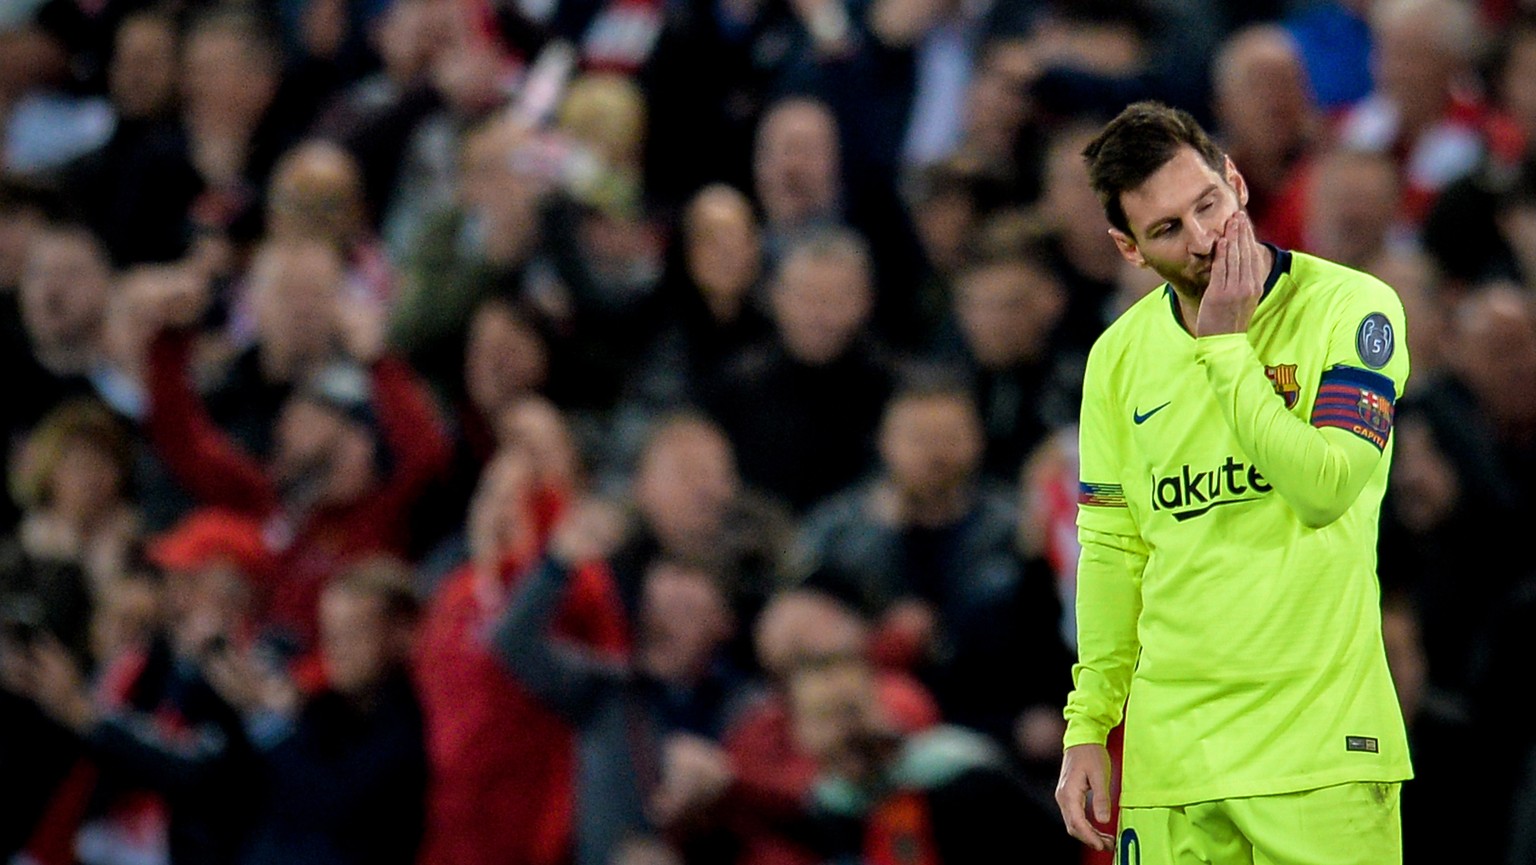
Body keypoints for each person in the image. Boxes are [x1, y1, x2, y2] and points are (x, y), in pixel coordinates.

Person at [1054, 101, 1414, 863]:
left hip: (1319, 754)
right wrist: (1088, 726)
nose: (1205, 240)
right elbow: (1114, 553)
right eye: (1166, 230)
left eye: (1208, 205)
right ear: (1128, 248)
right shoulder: (1116, 359)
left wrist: (1225, 351)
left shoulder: (1352, 309)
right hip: (1170, 764)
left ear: (1237, 183)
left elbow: (1323, 487)